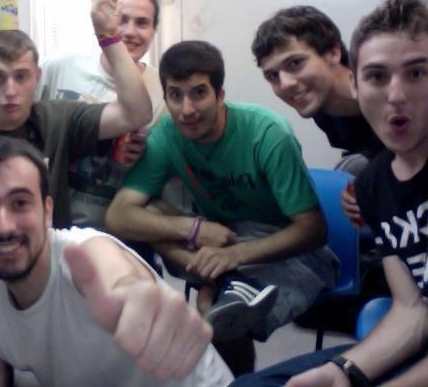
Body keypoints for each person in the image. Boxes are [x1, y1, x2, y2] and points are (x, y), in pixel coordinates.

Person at [0, 0, 153, 378]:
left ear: (37, 77)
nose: (10, 90)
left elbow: (137, 112)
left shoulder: (57, 119)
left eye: (21, 77)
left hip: (49, 263)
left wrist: (110, 37)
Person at [105, 40, 337, 375]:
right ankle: (221, 283)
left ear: (220, 94)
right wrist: (194, 229)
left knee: (226, 319)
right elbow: (118, 214)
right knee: (148, 212)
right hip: (221, 237)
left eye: (198, 93)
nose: (186, 109)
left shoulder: (267, 134)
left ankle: (222, 293)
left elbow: (313, 230)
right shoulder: (167, 134)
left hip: (290, 250)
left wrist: (235, 256)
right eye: (175, 95)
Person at [232, 0, 428, 387]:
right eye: (376, 77)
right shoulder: (372, 177)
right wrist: (344, 372)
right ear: (357, 82)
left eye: (416, 73)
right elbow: (412, 310)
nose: (395, 96)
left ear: (338, 58)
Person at [0, 135, 233, 387]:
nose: (3, 226)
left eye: (20, 203)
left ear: (47, 212)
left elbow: (117, 275)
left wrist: (131, 293)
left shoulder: (84, 252)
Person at [39, 0, 166, 266]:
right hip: (52, 229)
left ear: (154, 30)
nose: (130, 31)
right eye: (121, 19)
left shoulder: (163, 90)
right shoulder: (60, 67)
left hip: (121, 239)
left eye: (142, 23)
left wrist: (144, 156)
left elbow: (165, 175)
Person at [253, 5, 383, 173]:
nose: (285, 84)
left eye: (295, 63)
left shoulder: (386, 91)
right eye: (272, 75)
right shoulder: (322, 108)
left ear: (333, 53)